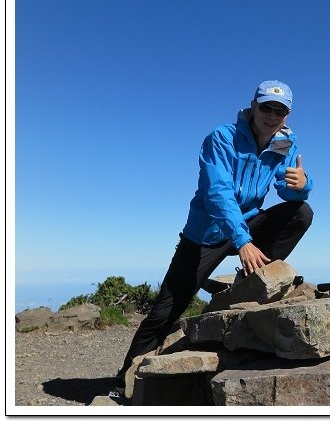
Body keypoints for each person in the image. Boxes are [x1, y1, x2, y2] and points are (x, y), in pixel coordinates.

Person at [113, 79, 313, 393]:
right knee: (166, 309)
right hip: (206, 234)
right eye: (267, 107)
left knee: (301, 211)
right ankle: (125, 379)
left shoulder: (284, 142)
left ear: (287, 115)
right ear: (253, 105)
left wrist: (301, 185)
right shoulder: (223, 137)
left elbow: (286, 188)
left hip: (246, 228)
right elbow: (217, 192)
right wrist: (242, 240)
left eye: (281, 110)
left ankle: (255, 278)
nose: (272, 115)